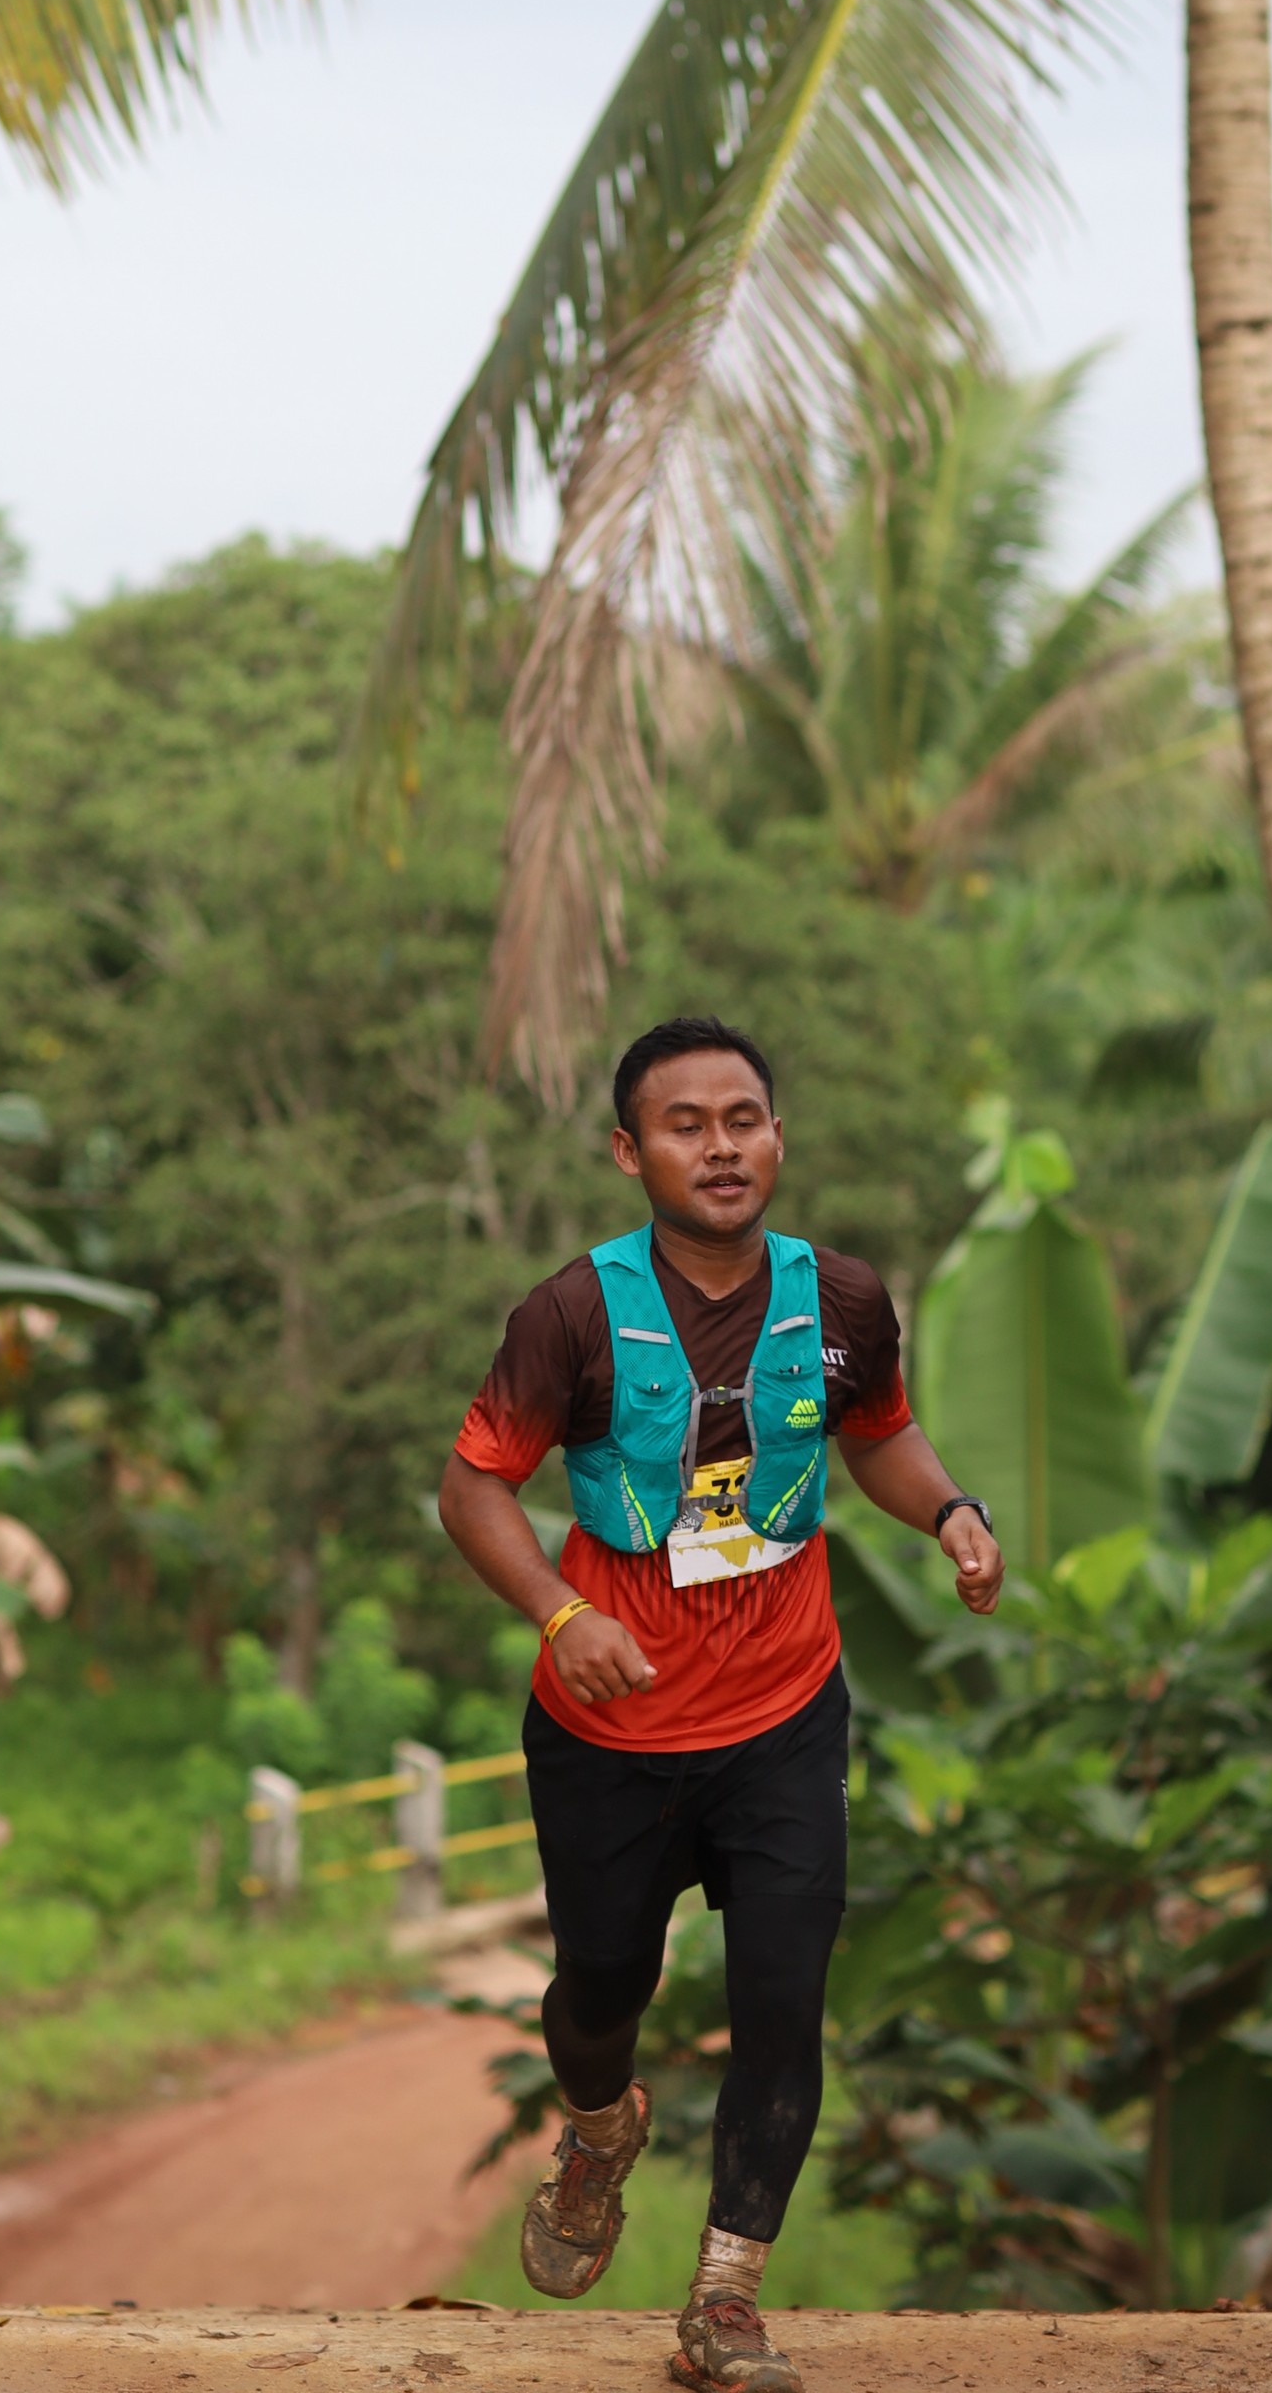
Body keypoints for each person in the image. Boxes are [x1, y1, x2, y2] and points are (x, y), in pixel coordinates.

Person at [440, 1013, 1002, 2393]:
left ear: (779, 1138)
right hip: (611, 1731)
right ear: (629, 1152)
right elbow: (473, 1485)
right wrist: (560, 1615)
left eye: (743, 1119)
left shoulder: (844, 1299)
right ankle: (598, 2130)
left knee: (782, 2001)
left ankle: (726, 2304)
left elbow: (881, 1433)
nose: (721, 1147)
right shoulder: (571, 1313)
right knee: (600, 1991)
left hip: (785, 1714)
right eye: (684, 1126)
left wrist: (951, 1511)